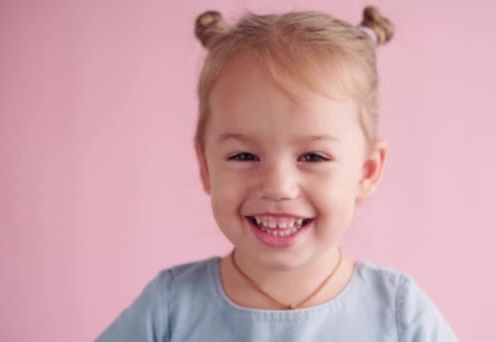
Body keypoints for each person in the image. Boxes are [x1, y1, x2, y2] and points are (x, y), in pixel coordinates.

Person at [97, 5, 458, 341]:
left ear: (366, 171)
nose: (278, 186)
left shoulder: (400, 316)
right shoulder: (170, 309)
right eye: (243, 155)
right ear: (206, 167)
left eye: (313, 156)